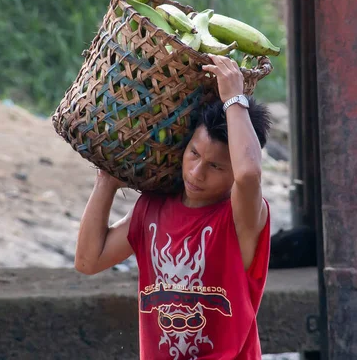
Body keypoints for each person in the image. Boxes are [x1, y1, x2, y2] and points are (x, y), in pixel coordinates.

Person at [75, 54, 272, 359]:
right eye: (194, 154)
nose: (196, 173)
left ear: (233, 171)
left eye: (216, 167)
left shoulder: (240, 220)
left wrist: (235, 98)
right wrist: (106, 182)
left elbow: (249, 174)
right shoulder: (151, 209)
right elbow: (89, 261)